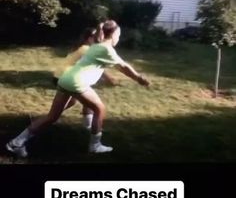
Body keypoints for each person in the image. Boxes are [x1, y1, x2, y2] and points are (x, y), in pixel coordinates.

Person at [6, 20, 150, 158]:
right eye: (118, 35)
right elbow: (124, 67)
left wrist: (101, 26)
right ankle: (95, 146)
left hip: (65, 79)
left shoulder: (97, 46)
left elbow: (103, 39)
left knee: (52, 116)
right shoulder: (107, 49)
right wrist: (139, 78)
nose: (119, 37)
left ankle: (16, 143)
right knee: (100, 109)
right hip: (76, 83)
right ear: (113, 35)